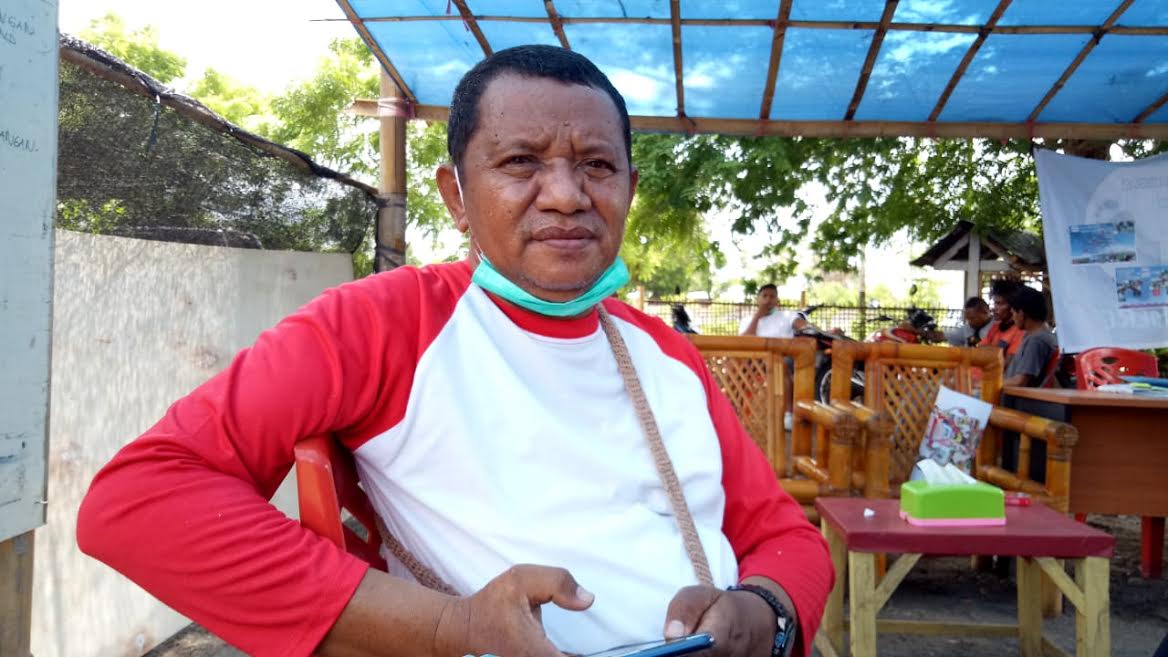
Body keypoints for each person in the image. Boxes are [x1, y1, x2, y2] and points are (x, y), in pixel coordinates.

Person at [76, 46, 832, 657]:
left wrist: (763, 612)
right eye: (521, 162)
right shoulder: (387, 324)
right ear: (455, 195)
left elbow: (783, 535)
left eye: (597, 166)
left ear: (629, 189)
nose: (566, 194)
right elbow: (139, 499)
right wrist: (448, 629)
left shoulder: (667, 355)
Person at [1002, 286, 1058, 388]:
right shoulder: (1036, 335)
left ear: (1021, 314)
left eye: (1013, 313)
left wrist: (986, 384)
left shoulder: (1037, 341)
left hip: (1018, 397)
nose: (1013, 318)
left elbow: (1020, 382)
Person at [979, 278, 1025, 363]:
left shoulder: (1020, 331)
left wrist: (989, 351)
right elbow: (979, 352)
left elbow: (1007, 363)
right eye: (994, 303)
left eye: (1000, 304)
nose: (994, 308)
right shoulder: (996, 326)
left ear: (1013, 306)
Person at [738, 284, 807, 339]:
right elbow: (744, 342)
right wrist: (757, 317)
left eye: (772, 296)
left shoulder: (788, 315)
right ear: (757, 300)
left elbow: (806, 328)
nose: (768, 299)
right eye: (764, 296)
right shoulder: (746, 320)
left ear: (777, 301)